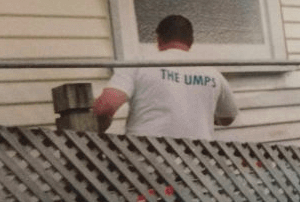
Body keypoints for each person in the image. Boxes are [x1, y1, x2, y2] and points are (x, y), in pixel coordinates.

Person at [93, 15, 238, 140]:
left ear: (159, 39)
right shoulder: (212, 73)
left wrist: (98, 131)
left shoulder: (139, 64)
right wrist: (195, 117)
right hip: (196, 165)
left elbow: (105, 106)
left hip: (146, 163)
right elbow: (228, 117)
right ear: (190, 41)